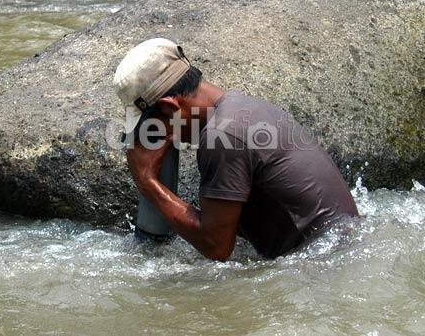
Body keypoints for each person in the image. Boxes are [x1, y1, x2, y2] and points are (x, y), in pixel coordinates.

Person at [113, 38, 358, 261]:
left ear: (169, 108)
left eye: (152, 126)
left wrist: (148, 182)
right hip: (346, 245)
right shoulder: (241, 106)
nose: (154, 135)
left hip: (324, 264)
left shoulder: (221, 137)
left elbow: (216, 247)